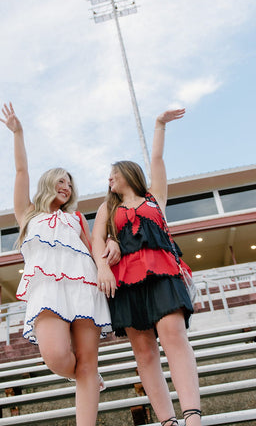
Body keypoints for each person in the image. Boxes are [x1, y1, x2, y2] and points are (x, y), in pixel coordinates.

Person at [0, 102, 119, 426]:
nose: (66, 187)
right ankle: (89, 379)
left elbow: (92, 247)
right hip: (47, 290)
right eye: (61, 181)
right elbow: (21, 172)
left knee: (88, 363)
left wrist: (109, 247)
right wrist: (18, 133)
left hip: (84, 287)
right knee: (56, 356)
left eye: (70, 184)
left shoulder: (76, 217)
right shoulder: (28, 214)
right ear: (49, 183)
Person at [92, 108, 202, 426]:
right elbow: (96, 239)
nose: (109, 178)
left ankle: (192, 416)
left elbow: (157, 161)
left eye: (114, 172)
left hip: (163, 271)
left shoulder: (154, 198)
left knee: (173, 336)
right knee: (144, 352)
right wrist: (102, 268)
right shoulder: (106, 208)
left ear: (129, 173)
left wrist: (159, 126)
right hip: (125, 281)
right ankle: (167, 421)